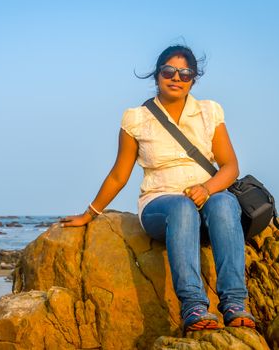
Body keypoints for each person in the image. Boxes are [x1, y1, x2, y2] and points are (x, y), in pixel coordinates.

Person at [59, 45, 256, 332]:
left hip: (207, 199)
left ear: (193, 79)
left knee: (225, 203)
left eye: (185, 73)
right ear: (157, 75)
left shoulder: (209, 112)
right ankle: (194, 307)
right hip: (161, 206)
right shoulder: (136, 119)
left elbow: (230, 166)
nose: (176, 77)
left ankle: (235, 303)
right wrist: (88, 215)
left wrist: (206, 188)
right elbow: (118, 175)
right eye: (169, 71)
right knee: (181, 207)